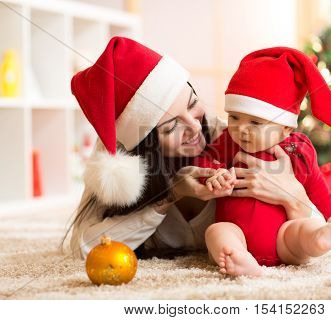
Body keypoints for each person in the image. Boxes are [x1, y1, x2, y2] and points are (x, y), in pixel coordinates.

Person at [64, 37, 316, 262]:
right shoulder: (117, 163)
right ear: (146, 144)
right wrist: (169, 195)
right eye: (171, 126)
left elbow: (316, 233)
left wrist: (292, 195)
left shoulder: (232, 137)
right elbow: (82, 248)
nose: (195, 127)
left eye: (193, 103)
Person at [192, 47, 331, 276]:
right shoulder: (227, 141)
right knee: (216, 231)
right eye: (234, 117)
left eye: (255, 122)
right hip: (238, 232)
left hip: (284, 237)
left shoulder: (297, 148)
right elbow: (205, 159)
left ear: (286, 128)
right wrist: (213, 173)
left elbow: (315, 184)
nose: (241, 129)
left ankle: (324, 236)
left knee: (305, 228)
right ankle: (239, 258)